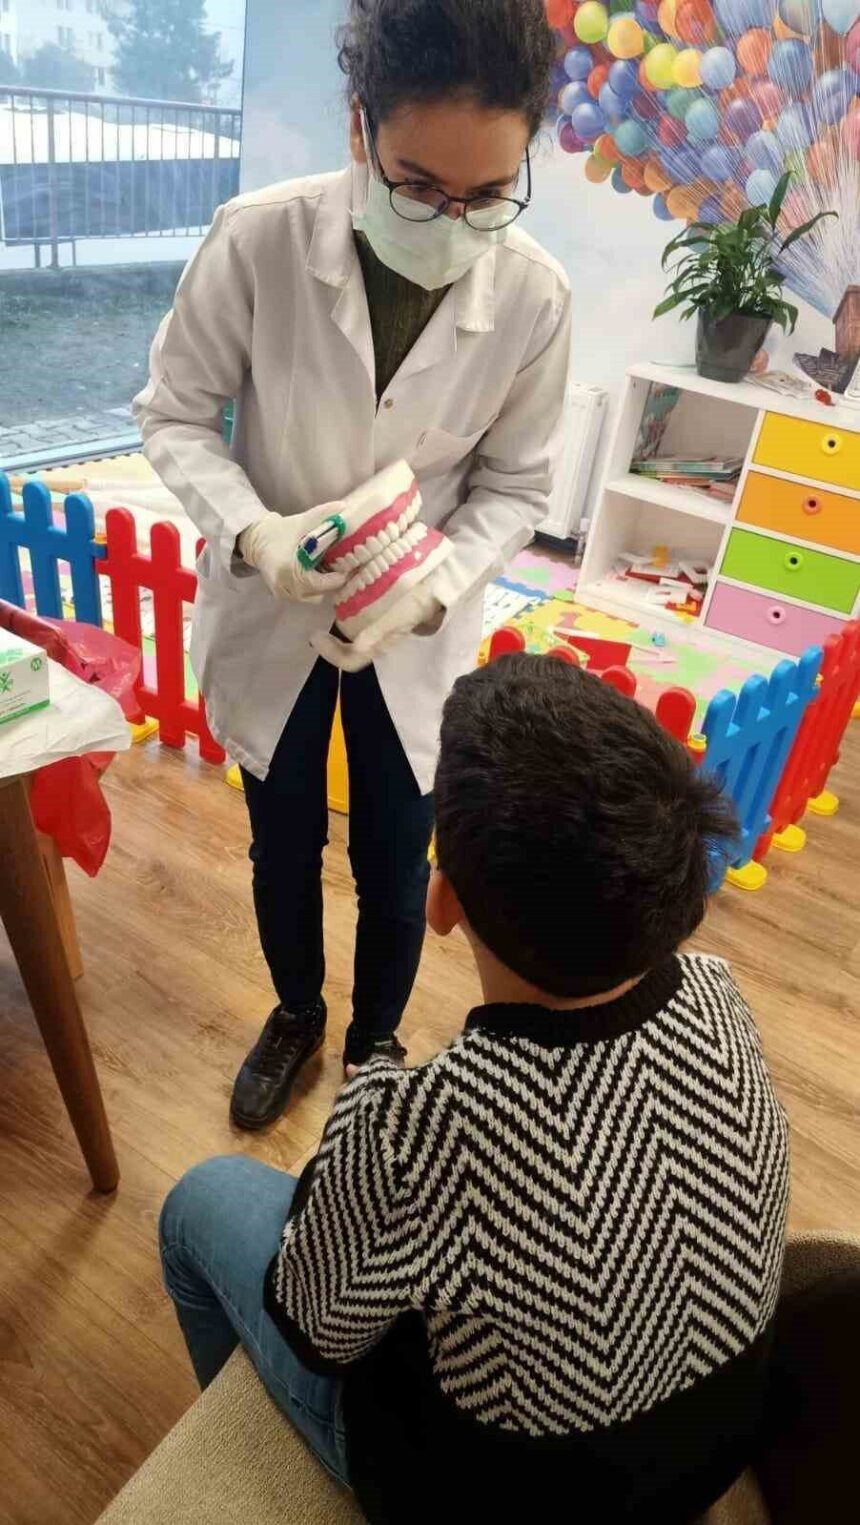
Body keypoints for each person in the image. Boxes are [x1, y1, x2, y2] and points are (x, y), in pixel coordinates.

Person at [160, 656, 790, 1524]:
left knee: (199, 1200)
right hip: (713, 1452)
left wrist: (354, 1137)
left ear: (443, 900)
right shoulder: (721, 994)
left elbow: (314, 1321)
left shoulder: (414, 1124)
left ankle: (250, 1461)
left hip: (492, 1495)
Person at [133, 0, 570, 1129]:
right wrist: (253, 531)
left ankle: (376, 1044)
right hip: (273, 605)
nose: (451, 220)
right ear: (357, 127)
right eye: (418, 184)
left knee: (396, 851)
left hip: (410, 635)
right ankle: (296, 1012)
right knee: (280, 839)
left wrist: (436, 583)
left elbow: (517, 486)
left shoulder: (531, 295)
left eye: (486, 194)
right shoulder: (257, 239)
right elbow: (173, 413)